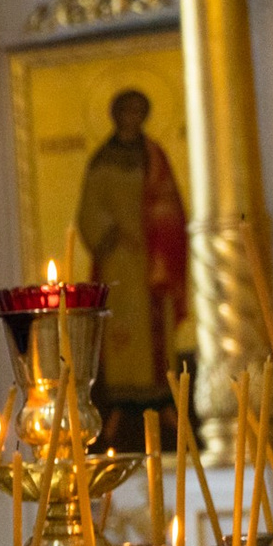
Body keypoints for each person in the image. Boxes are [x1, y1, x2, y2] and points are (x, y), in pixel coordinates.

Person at [75, 85, 189, 439]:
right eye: (126, 112)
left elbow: (171, 203)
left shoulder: (154, 156)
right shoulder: (102, 159)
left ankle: (164, 405)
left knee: (157, 333)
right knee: (124, 336)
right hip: (119, 260)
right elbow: (89, 209)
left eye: (138, 112)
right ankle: (119, 410)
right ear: (115, 116)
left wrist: (159, 234)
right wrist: (113, 233)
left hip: (152, 261)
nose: (132, 119)